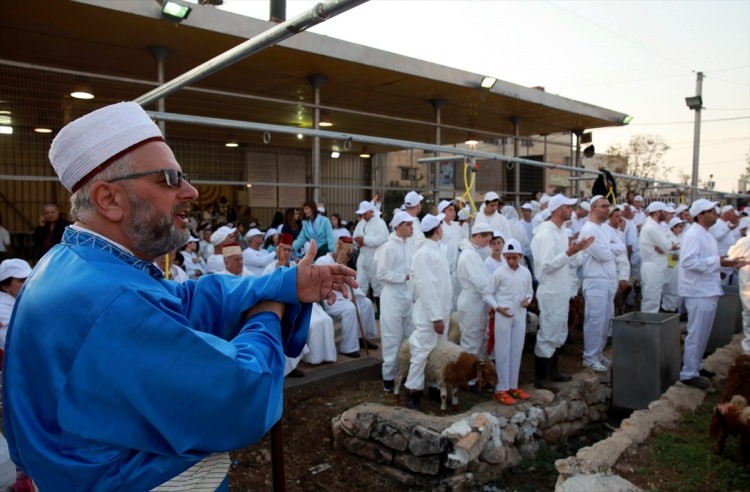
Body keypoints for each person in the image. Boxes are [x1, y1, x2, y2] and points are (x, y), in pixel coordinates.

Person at [1, 102, 357, 491]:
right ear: (109, 200)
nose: (191, 191)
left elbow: (185, 300)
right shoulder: (108, 299)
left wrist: (282, 284)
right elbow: (239, 397)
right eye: (169, 178)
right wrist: (268, 314)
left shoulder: (76, 262)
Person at [678, 199, 744, 389]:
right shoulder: (693, 234)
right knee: (696, 333)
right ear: (701, 215)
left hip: (707, 288)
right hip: (697, 290)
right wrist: (718, 262)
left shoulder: (705, 234)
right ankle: (688, 372)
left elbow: (708, 261)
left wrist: (724, 265)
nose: (715, 213)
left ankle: (696, 365)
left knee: (704, 332)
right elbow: (689, 262)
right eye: (711, 211)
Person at [530, 194, 593, 390]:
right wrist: (570, 252)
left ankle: (554, 371)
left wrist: (578, 250)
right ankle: (541, 376)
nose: (571, 210)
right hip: (550, 290)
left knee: (558, 330)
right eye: (567, 207)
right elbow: (546, 265)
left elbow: (567, 261)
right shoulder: (545, 234)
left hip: (561, 289)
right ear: (557, 210)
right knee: (548, 331)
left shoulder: (561, 232)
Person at [403, 213, 452, 410]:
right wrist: (436, 317)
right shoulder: (423, 254)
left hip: (441, 311)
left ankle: (434, 387)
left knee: (438, 350)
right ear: (438, 229)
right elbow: (426, 287)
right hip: (430, 314)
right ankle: (412, 392)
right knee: (421, 351)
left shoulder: (436, 250)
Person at [265, 233, 336, 368]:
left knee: (325, 320)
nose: (286, 253)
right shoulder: (269, 268)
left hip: (304, 304)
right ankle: (307, 359)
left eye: (289, 250)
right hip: (284, 308)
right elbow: (267, 291)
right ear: (277, 250)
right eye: (283, 249)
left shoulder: (296, 266)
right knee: (312, 324)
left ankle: (323, 356)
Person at [578, 196, 626, 372]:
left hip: (608, 279)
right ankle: (589, 356)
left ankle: (598, 353)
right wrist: (609, 248)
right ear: (593, 208)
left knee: (606, 320)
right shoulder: (588, 229)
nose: (607, 209)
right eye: (604, 206)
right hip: (595, 279)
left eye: (608, 206)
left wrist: (608, 247)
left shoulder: (606, 229)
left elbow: (620, 246)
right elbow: (602, 255)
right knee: (595, 319)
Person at [315, 236, 378, 358]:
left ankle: (361, 337)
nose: (348, 258)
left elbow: (350, 280)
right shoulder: (322, 261)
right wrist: (339, 263)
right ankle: (348, 347)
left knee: (366, 304)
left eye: (350, 255)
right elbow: (327, 283)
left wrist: (355, 292)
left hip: (346, 295)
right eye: (346, 254)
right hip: (331, 299)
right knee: (350, 309)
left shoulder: (346, 261)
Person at [375, 210, 416, 393]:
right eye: (407, 225)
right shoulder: (388, 247)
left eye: (411, 225)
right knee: (392, 338)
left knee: (408, 336)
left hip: (408, 297)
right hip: (392, 297)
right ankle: (388, 378)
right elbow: (382, 274)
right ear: (397, 227)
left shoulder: (410, 245)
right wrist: (403, 277)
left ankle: (403, 373)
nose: (411, 228)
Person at [490, 239, 533, 405]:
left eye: (514, 257)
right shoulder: (499, 273)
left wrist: (528, 300)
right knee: (502, 351)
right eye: (508, 257)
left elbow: (529, 291)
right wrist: (497, 307)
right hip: (503, 315)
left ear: (520, 256)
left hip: (520, 314)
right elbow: (488, 293)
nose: (511, 261)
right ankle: (501, 388)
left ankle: (513, 386)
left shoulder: (525, 273)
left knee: (516, 350)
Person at [352, 200, 389, 314]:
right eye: (361, 213)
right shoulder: (361, 223)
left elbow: (383, 238)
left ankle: (380, 310)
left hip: (375, 257)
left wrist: (366, 240)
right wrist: (358, 241)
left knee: (377, 285)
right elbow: (355, 236)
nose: (362, 215)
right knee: (360, 283)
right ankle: (360, 309)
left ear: (370, 211)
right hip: (363, 255)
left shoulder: (380, 223)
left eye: (364, 213)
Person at [639, 201, 675, 313]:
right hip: (652, 268)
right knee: (651, 300)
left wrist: (668, 247)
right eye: (664, 212)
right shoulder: (651, 227)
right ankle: (648, 328)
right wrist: (670, 247)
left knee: (655, 298)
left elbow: (668, 245)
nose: (667, 214)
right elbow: (668, 246)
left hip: (657, 266)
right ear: (658, 213)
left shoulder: (656, 226)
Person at [0, 258, 31, 346]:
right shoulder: (2, 308)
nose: (29, 282)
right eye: (21, 280)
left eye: (30, 277)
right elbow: (13, 342)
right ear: (6, 286)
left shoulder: (23, 300)